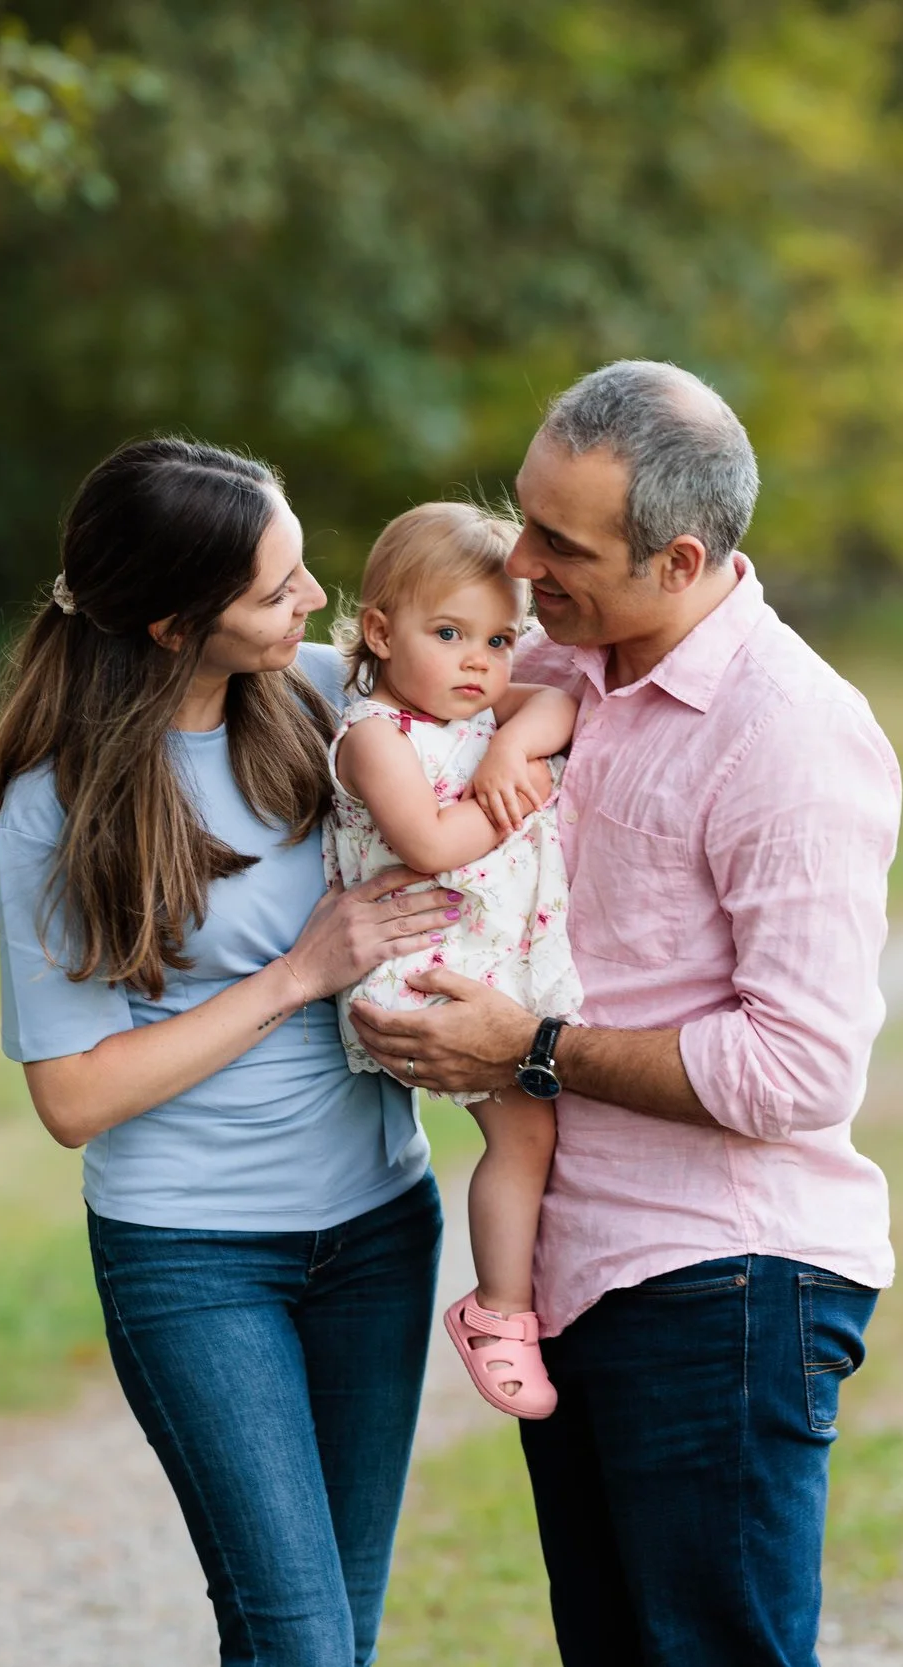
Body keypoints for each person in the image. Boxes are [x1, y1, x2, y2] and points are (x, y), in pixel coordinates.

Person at [350, 361, 902, 1666]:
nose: (523, 563)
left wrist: (525, 1048)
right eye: (523, 519)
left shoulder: (792, 735)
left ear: (681, 558)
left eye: (563, 542)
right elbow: (380, 684)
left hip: (723, 1278)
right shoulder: (553, 659)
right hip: (581, 1270)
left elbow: (800, 1068)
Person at [0, 437, 456, 1667]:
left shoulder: (317, 700)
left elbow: (514, 668)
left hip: (379, 1230)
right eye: (277, 590)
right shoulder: (55, 801)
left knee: (340, 1634)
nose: (315, 603)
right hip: (194, 1257)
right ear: (175, 624)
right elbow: (73, 1098)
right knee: (294, 1638)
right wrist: (299, 973)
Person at [323, 501, 584, 1419]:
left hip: (487, 948)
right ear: (380, 631)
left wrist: (513, 741)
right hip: (426, 966)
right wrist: (529, 790)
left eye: (500, 639)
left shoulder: (479, 706)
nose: (481, 662)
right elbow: (430, 844)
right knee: (525, 1129)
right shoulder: (373, 737)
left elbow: (558, 701)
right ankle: (499, 1310)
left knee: (541, 1128)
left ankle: (520, 1297)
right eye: (449, 633)